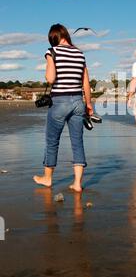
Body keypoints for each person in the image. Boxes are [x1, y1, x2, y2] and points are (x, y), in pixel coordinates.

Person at [33, 24, 93, 192]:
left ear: (54, 38)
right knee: (77, 142)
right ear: (66, 35)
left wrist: (49, 63)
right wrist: (88, 104)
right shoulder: (80, 54)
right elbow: (86, 83)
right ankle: (77, 184)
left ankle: (47, 178)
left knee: (52, 141)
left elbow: (51, 78)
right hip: (78, 102)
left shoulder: (52, 51)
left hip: (59, 101)